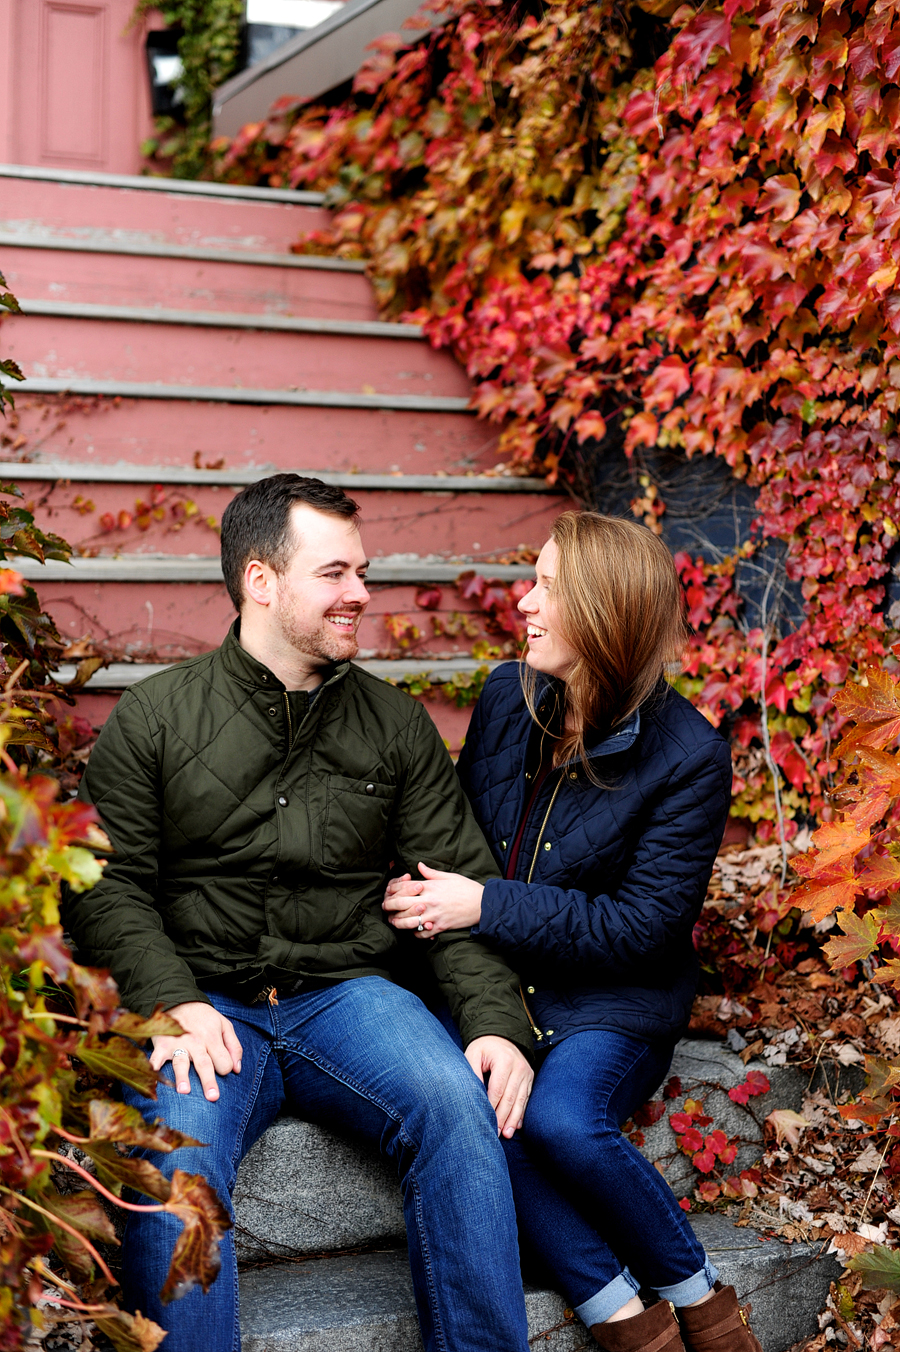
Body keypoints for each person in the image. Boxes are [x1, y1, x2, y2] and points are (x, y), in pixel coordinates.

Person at [65, 473, 537, 1352]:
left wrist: (494, 1023)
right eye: (335, 574)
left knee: (453, 1105)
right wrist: (171, 995)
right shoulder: (157, 717)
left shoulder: (394, 726)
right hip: (205, 998)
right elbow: (105, 882)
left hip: (346, 993)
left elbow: (453, 880)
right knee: (176, 1165)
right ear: (260, 581)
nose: (362, 593)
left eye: (364, 572)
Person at [384, 511, 762, 1352]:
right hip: (501, 979)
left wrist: (485, 904)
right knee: (479, 1118)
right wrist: (431, 898)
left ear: (600, 613)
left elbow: (644, 927)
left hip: (615, 997)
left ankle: (704, 1304)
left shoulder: (688, 755)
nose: (523, 601)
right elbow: (457, 840)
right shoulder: (503, 698)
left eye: (548, 587)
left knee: (560, 1119)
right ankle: (622, 1317)